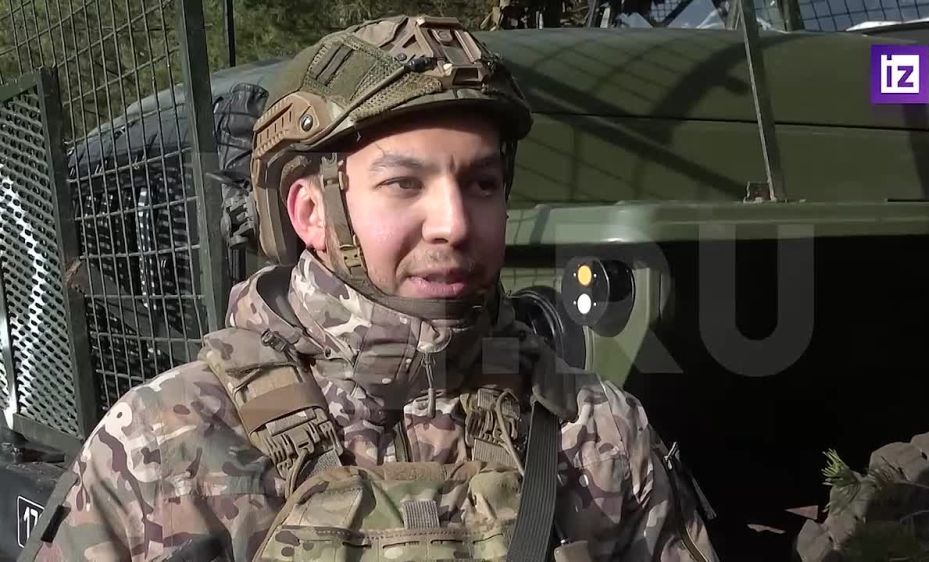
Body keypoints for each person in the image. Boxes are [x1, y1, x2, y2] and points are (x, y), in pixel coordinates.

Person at [21, 15, 717, 562]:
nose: (454, 223)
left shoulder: (595, 431)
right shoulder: (165, 447)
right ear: (310, 212)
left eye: (482, 183)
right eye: (404, 184)